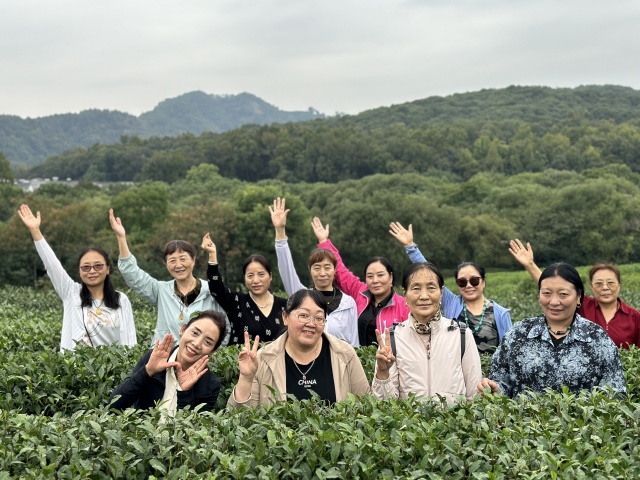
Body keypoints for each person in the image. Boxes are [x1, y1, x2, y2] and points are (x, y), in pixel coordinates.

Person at [477, 263, 627, 398]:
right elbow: (501, 381)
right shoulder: (518, 334)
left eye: (563, 294)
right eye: (547, 293)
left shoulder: (597, 337)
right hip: (524, 421)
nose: (554, 302)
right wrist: (495, 389)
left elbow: (614, 392)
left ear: (578, 298)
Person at [18, 204, 136, 352]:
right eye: (86, 267)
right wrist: (35, 231)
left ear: (107, 269)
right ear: (79, 271)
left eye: (98, 266)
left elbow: (130, 341)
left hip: (113, 366)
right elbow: (52, 265)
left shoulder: (121, 300)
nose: (92, 271)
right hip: (75, 366)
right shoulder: (71, 293)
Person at [227, 289, 370, 408]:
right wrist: (246, 379)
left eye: (318, 318)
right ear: (285, 317)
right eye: (304, 315)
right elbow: (240, 419)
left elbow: (366, 407)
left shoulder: (345, 354)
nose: (311, 324)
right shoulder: (263, 358)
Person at [109, 209, 230, 346]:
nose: (178, 265)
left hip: (200, 356)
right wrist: (121, 238)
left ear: (193, 260)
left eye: (183, 259)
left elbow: (225, 329)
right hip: (165, 355)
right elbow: (132, 275)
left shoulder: (211, 291)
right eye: (172, 261)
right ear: (165, 264)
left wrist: (211, 353)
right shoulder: (161, 290)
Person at [390, 222, 512, 354]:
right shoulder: (452, 303)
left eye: (474, 280)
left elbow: (510, 352)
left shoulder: (500, 314)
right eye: (462, 282)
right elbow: (430, 273)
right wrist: (410, 246)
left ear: (483, 282)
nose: (469, 285)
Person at [372, 262, 482, 403]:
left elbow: (474, 397)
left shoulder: (461, 334)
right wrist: (383, 373)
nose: (424, 296)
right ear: (405, 294)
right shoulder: (392, 338)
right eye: (416, 289)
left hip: (453, 418)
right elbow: (385, 406)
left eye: (431, 288)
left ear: (441, 292)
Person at [509, 239, 640, 349]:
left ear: (619, 285)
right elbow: (554, 287)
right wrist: (530, 265)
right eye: (599, 283)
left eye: (610, 283)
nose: (605, 288)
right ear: (591, 287)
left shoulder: (634, 317)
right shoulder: (583, 304)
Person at [270, 198, 359, 346]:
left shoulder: (348, 303)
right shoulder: (301, 296)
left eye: (327, 267)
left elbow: (354, 344)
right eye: (317, 268)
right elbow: (286, 269)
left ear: (335, 271)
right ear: (310, 271)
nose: (322, 273)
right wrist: (280, 231)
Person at [311, 217, 409, 347]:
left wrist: (411, 247)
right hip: (359, 358)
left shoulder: (404, 306)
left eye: (380, 275)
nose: (375, 280)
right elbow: (340, 271)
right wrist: (324, 241)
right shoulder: (360, 293)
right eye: (370, 276)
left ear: (391, 277)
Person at [110, 310, 225, 414]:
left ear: (213, 351)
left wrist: (184, 392)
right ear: (183, 329)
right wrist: (147, 371)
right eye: (195, 333)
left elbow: (192, 428)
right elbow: (113, 405)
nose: (196, 344)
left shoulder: (210, 384)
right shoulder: (153, 359)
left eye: (208, 342)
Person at [202, 232, 288, 345]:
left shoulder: (285, 305)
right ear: (245, 278)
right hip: (241, 356)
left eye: (261, 274)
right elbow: (216, 289)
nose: (256, 280)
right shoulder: (236, 302)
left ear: (270, 276)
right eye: (250, 275)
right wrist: (212, 254)